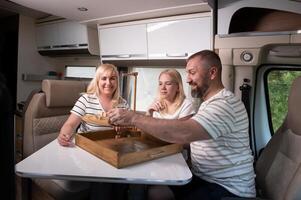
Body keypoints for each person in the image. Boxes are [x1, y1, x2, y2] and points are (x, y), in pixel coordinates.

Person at [107, 50, 256, 200]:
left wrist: (133, 118)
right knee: (155, 193)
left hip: (228, 188)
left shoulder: (224, 103)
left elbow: (184, 133)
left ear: (212, 73)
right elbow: (185, 140)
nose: (188, 79)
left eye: (192, 73)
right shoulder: (207, 104)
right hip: (203, 178)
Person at [57, 63, 129, 200]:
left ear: (117, 81)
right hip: (88, 152)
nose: (108, 82)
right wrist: (64, 134)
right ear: (97, 80)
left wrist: (123, 128)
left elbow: (126, 130)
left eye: (113, 78)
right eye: (104, 78)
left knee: (122, 183)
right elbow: (70, 124)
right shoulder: (86, 99)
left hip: (112, 152)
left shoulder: (123, 104)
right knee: (103, 183)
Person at [131, 69, 196, 200]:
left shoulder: (187, 105)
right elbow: (147, 135)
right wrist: (148, 113)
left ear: (178, 87)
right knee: (135, 184)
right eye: (160, 84)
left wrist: (155, 129)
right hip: (156, 155)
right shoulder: (156, 104)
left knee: (154, 192)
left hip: (176, 160)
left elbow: (181, 137)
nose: (163, 88)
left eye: (168, 84)